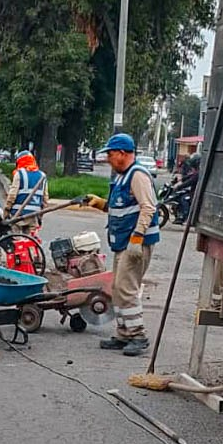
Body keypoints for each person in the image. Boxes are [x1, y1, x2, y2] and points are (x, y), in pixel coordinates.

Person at [84, 133, 160, 357]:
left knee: (127, 289)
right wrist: (100, 204)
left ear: (123, 153)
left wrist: (137, 239)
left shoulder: (137, 175)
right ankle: (123, 334)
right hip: (123, 242)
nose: (108, 158)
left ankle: (138, 335)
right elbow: (121, 207)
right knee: (117, 289)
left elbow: (148, 208)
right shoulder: (122, 177)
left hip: (135, 243)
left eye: (110, 154)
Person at [5, 150, 46, 236]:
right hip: (34, 214)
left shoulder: (19, 174)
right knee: (31, 241)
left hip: (17, 215)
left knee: (16, 240)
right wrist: (40, 216)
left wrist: (7, 210)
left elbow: (12, 195)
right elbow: (45, 199)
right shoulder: (42, 176)